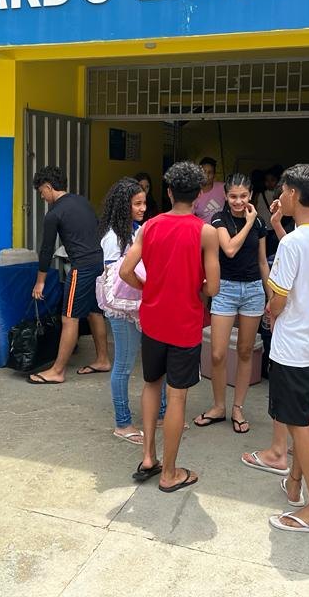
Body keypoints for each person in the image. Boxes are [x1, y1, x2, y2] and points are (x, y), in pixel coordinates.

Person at [241, 164, 309, 535]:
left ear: (294, 194)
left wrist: (271, 310)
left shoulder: (293, 243)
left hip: (292, 345)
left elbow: (278, 299)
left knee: (297, 425)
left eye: (284, 189)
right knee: (305, 420)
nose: (280, 194)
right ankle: (295, 486)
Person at [120, 161, 219, 492]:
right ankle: (170, 473)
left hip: (153, 320)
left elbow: (125, 271)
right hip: (185, 324)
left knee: (151, 385)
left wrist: (148, 288)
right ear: (198, 193)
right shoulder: (206, 232)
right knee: (177, 398)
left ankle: (149, 457)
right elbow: (213, 287)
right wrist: (195, 287)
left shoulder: (149, 227)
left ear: (169, 192)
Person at [194, 173, 269, 434]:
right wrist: (249, 223)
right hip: (224, 289)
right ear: (225, 196)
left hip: (253, 290)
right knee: (217, 353)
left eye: (243, 196)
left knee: (246, 351)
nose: (238, 201)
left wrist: (270, 295)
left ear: (251, 195)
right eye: (233, 196)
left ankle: (238, 407)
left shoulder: (259, 223)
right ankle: (218, 406)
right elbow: (229, 249)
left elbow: (262, 261)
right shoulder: (219, 219)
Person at [29, 166, 111, 384]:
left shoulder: (54, 213)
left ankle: (57, 371)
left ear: (48, 187)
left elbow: (46, 250)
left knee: (69, 317)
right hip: (98, 263)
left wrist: (40, 282)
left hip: (81, 267)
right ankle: (103, 359)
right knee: (94, 312)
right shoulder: (82, 202)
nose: (42, 197)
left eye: (41, 192)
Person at [98, 177, 165, 443]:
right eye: (137, 204)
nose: (142, 208)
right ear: (122, 205)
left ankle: (161, 414)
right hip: (123, 308)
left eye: (144, 203)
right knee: (124, 366)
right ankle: (122, 423)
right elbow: (115, 276)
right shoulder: (113, 237)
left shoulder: (137, 230)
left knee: (157, 360)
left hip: (142, 304)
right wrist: (146, 286)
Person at [193, 157, 226, 223]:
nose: (206, 175)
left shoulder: (223, 187)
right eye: (204, 172)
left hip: (222, 228)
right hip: (203, 228)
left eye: (210, 172)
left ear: (214, 174)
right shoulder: (193, 194)